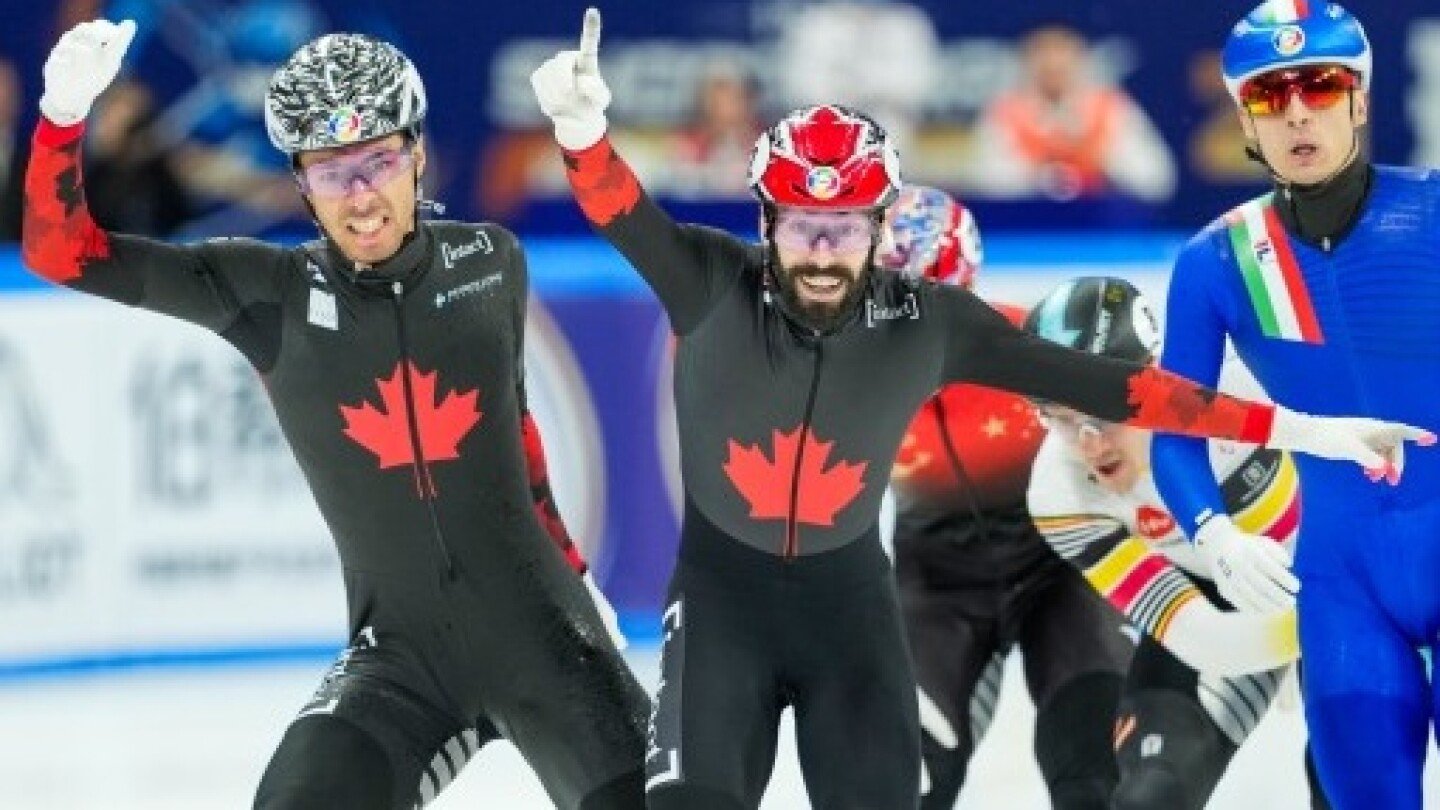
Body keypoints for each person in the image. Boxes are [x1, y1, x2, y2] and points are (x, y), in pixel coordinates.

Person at [531, 9, 1425, 809]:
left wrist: (1295, 433)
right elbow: (624, 214)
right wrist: (582, 134)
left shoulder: (938, 323)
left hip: (932, 597)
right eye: (801, 223)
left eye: (845, 227)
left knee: (1076, 772)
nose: (822, 252)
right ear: (764, 223)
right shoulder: (713, 286)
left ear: (881, 230)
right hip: (816, 595)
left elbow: (1131, 392)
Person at [22, 19, 649, 810]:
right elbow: (58, 252)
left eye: (379, 161)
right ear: (299, 182)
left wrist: (578, 577)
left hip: (553, 644)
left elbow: (519, 438)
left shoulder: (491, 262)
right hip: (402, 661)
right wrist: (63, 117)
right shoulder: (262, 293)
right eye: (330, 170)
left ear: (417, 154)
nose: (360, 195)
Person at [1152, 4, 1440, 808]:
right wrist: (1214, 534)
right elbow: (1175, 431)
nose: (1299, 111)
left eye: (1321, 85)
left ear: (1361, 101)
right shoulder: (1217, 262)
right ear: (1245, 117)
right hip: (1343, 584)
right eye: (1272, 96)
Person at [1024, 276, 1328, 809]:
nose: (1090, 444)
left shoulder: (1246, 385)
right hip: (1220, 602)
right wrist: (1289, 635)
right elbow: (1198, 634)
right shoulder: (1058, 493)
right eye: (1064, 421)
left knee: (1347, 773)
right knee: (1150, 796)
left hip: (1340, 579)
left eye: (1102, 413)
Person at [883, 187, 1131, 810]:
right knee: (902, 780)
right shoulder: (837, 372)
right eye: (886, 304)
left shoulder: (1035, 342)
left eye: (934, 305)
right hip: (936, 585)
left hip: (1063, 569)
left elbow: (1147, 435)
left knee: (1091, 775)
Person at [967, 25, 1175, 203]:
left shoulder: (1111, 109)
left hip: (1102, 231)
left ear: (1081, 55)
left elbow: (1158, 181)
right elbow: (987, 186)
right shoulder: (1003, 114)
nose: (1052, 62)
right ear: (1025, 59)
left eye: (1062, 49)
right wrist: (1041, 175)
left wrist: (1101, 163)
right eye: (1042, 50)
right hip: (1029, 230)